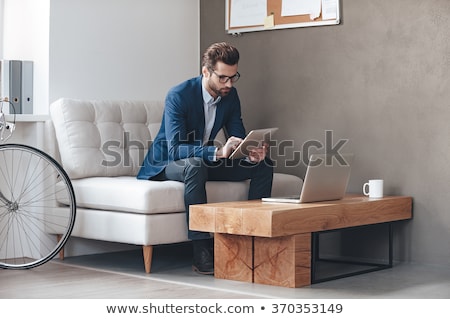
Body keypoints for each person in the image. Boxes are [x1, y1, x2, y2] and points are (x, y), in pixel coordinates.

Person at [137, 42, 273, 275]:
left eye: (233, 77)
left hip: (203, 161)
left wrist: (250, 153)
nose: (229, 84)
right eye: (222, 78)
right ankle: (201, 248)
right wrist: (217, 152)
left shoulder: (230, 95)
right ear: (206, 72)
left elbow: (237, 134)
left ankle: (253, 240)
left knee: (264, 165)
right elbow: (176, 148)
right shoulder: (179, 95)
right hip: (167, 163)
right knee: (195, 165)